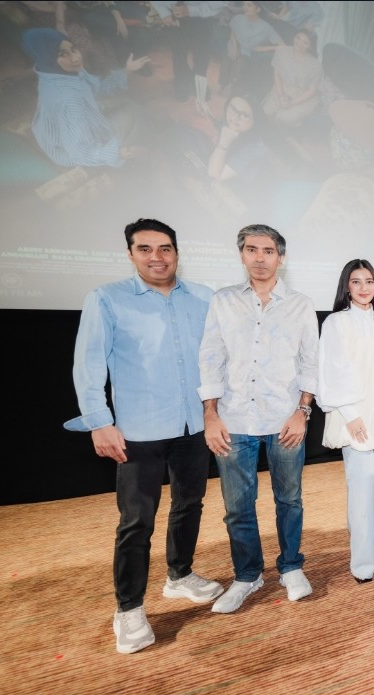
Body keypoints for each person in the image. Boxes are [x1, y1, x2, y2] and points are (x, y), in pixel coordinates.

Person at [64, 218, 224, 654]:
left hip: (194, 425)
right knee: (137, 521)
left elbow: (217, 358)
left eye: (165, 248)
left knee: (190, 504)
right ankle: (129, 608)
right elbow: (88, 364)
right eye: (145, 248)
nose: (157, 257)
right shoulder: (106, 299)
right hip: (138, 430)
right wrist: (99, 422)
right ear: (131, 254)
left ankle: (179, 575)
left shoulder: (203, 298)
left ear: (177, 253)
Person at [197, 224, 318, 614]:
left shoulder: (301, 304)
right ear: (242, 254)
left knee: (290, 499)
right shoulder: (223, 301)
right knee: (237, 507)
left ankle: (291, 567)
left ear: (281, 257)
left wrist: (302, 412)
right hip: (233, 421)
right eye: (252, 249)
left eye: (268, 251)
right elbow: (211, 359)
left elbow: (310, 363)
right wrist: (210, 414)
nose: (260, 258)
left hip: (285, 420)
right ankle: (247, 575)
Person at [317, 259, 374, 583]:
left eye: (369, 281)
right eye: (356, 281)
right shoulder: (336, 322)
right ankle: (362, 562)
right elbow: (330, 371)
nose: (364, 287)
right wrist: (350, 415)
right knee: (362, 490)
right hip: (355, 419)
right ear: (347, 286)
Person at [21, 27, 151, 168]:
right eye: (63, 54)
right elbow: (80, 153)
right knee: (135, 114)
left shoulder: (55, 71)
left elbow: (97, 90)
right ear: (47, 56)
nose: (75, 57)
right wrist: (124, 152)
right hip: (74, 153)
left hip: (81, 127)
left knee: (126, 104)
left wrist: (127, 70)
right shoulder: (68, 101)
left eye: (73, 49)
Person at [262, 28, 322, 127]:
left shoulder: (316, 65)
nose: (299, 43)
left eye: (305, 42)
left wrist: (292, 103)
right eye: (298, 38)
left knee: (284, 118)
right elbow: (277, 74)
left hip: (303, 94)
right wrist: (281, 95)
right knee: (266, 111)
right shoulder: (281, 51)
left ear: (310, 46)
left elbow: (311, 91)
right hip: (282, 87)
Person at [225, 0, 284, 98]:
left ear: (258, 9)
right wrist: (234, 46)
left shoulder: (266, 27)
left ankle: (233, 87)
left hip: (250, 55)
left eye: (249, 5)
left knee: (241, 62)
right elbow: (233, 30)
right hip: (237, 48)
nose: (245, 7)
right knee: (228, 57)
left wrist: (264, 48)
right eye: (244, 4)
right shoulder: (238, 18)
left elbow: (283, 46)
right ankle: (224, 85)